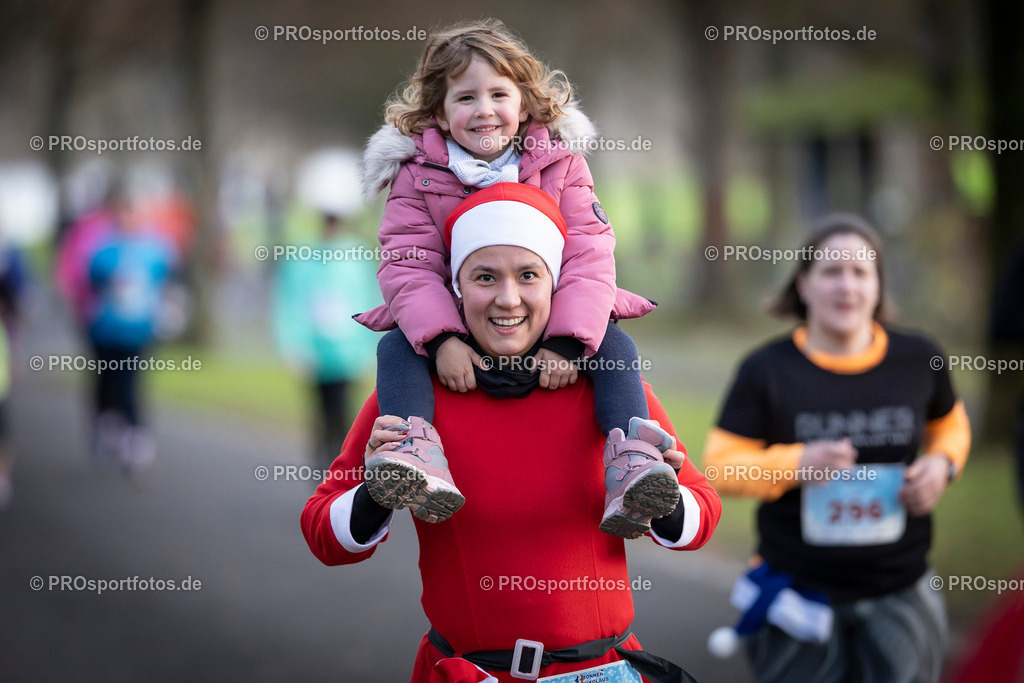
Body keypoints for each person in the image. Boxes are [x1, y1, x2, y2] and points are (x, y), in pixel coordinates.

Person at [302, 185, 721, 682]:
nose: (508, 298)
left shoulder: (612, 392)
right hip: (468, 672)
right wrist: (376, 490)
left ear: (555, 284)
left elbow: (703, 514)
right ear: (456, 286)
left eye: (528, 275)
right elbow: (323, 532)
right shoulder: (409, 402)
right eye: (485, 277)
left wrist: (666, 501)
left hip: (599, 671)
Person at [355, 19, 678, 537]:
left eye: (498, 94)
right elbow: (409, 266)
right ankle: (415, 451)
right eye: (465, 98)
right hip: (462, 328)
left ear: (524, 104)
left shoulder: (562, 164)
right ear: (439, 112)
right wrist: (443, 341)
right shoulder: (417, 175)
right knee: (396, 348)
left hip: (547, 323)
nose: (484, 109)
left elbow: (589, 257)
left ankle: (633, 459)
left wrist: (569, 343)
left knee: (615, 345)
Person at [703, 214, 970, 683]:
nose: (846, 286)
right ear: (803, 284)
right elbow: (720, 467)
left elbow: (951, 427)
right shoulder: (766, 370)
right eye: (831, 272)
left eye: (860, 272)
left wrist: (941, 465)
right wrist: (797, 463)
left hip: (900, 587)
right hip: (795, 590)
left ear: (878, 285)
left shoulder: (917, 357)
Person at [273, 211, 380, 469]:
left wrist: (367, 352)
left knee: (344, 416)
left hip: (346, 355)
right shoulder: (305, 257)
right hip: (316, 355)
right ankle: (324, 471)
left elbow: (368, 301)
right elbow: (292, 303)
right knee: (322, 416)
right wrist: (294, 347)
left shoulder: (356, 256)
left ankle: (341, 469)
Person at [86, 198, 177, 475]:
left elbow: (168, 283)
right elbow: (93, 280)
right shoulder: (105, 250)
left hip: (139, 331)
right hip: (106, 330)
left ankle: (135, 440)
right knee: (107, 382)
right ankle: (109, 424)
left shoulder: (156, 250)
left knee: (130, 382)